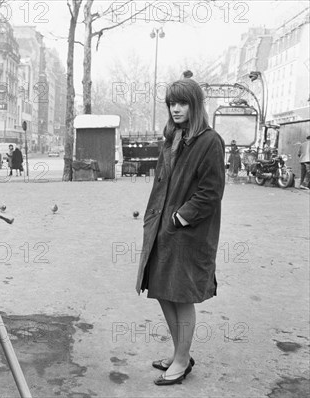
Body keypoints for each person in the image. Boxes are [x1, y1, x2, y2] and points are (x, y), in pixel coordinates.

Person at [135, 78, 225, 386]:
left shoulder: (209, 141)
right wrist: (160, 220)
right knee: (161, 292)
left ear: (195, 105)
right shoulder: (174, 136)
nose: (176, 108)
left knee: (181, 296)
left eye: (182, 103)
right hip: (163, 228)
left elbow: (211, 192)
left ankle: (183, 359)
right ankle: (179, 353)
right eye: (172, 103)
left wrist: (179, 218)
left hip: (188, 233)